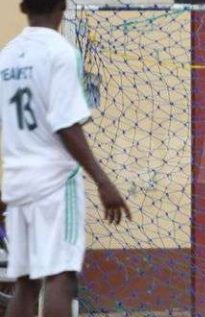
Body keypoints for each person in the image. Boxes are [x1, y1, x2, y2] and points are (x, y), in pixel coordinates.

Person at [0, 0, 131, 316]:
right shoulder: (60, 53)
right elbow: (66, 125)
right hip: (55, 182)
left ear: (24, 8)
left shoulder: (6, 57)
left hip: (18, 178)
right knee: (61, 276)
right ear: (62, 6)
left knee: (27, 281)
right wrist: (103, 181)